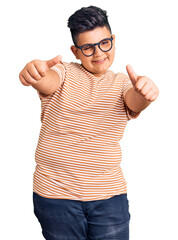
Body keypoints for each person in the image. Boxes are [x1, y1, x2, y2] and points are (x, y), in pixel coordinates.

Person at [19, 5, 159, 240]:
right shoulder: (64, 73)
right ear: (75, 51)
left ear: (113, 40)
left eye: (104, 43)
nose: (98, 53)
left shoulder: (122, 83)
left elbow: (134, 102)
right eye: (88, 48)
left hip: (109, 199)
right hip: (55, 196)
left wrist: (144, 93)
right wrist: (36, 73)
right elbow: (48, 81)